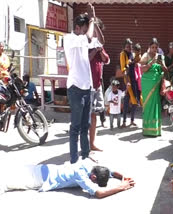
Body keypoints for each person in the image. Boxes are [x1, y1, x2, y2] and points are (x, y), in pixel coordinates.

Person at [64, 5, 105, 164]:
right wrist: (92, 20)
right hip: (75, 89)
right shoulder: (70, 38)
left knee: (85, 125)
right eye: (86, 28)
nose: (88, 30)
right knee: (75, 127)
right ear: (77, 27)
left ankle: (86, 156)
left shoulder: (84, 39)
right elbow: (88, 37)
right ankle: (74, 160)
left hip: (87, 89)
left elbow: (100, 41)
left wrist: (95, 23)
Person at [0, 158, 135, 200]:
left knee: (3, 175)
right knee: (1, 185)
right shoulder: (81, 175)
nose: (92, 183)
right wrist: (122, 186)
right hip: (36, 178)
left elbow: (110, 171)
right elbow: (99, 194)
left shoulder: (90, 165)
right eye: (94, 182)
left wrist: (123, 177)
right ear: (93, 177)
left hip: (41, 169)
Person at [88, 22, 110, 151]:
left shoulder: (98, 45)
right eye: (97, 31)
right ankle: (86, 145)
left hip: (97, 85)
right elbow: (85, 59)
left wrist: (100, 51)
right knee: (87, 116)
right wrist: (95, 50)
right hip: (87, 86)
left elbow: (106, 60)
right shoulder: (85, 44)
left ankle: (92, 144)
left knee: (94, 115)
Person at [140, 38, 167, 136]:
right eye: (152, 47)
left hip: (157, 82)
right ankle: (147, 129)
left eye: (156, 47)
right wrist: (152, 63)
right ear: (149, 47)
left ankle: (155, 129)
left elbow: (165, 70)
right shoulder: (145, 56)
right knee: (148, 104)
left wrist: (161, 64)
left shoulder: (160, 57)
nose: (154, 49)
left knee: (156, 104)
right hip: (147, 83)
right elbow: (142, 69)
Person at [120, 38, 140, 128]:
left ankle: (132, 120)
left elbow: (137, 60)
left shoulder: (132, 54)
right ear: (124, 47)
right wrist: (127, 82)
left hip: (134, 79)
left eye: (130, 46)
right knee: (127, 100)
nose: (129, 48)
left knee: (135, 101)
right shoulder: (123, 54)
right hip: (127, 79)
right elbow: (123, 69)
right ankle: (124, 121)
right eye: (127, 46)